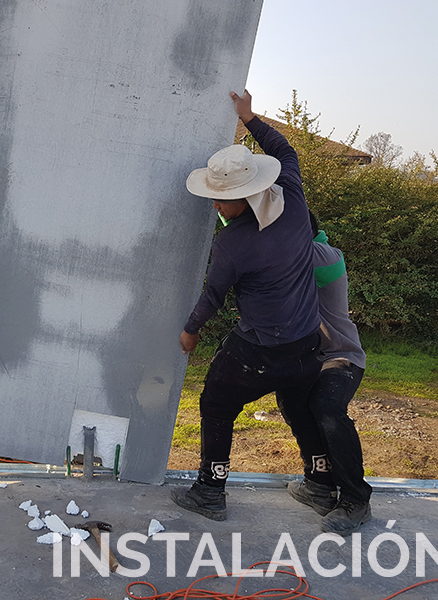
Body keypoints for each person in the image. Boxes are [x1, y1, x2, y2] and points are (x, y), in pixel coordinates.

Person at [171, 90, 323, 521]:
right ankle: (320, 482)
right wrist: (250, 118)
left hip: (261, 348)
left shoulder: (233, 243)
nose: (214, 205)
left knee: (217, 403)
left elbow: (212, 296)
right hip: (308, 341)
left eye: (221, 198)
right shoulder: (292, 195)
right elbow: (284, 150)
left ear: (249, 194)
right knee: (298, 406)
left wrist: (190, 329)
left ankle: (209, 492)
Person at [275, 213, 372, 535]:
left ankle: (356, 499)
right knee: (292, 403)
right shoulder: (293, 253)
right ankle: (318, 483)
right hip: (306, 358)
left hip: (340, 356)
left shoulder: (325, 257)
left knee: (328, 409)